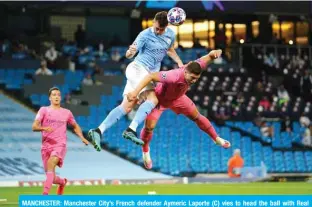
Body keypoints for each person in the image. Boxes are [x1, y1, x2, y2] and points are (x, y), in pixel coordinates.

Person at [88, 11, 183, 150]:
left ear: (166, 26)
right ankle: (131, 129)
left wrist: (180, 63)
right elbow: (129, 53)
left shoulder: (171, 35)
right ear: (153, 22)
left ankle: (98, 131)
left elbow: (170, 50)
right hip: (138, 68)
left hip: (148, 74)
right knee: (152, 99)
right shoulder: (144, 34)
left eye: (161, 29)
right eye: (156, 28)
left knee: (126, 107)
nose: (158, 31)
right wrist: (130, 52)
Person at [126, 49, 231, 169]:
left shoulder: (196, 65)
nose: (193, 81)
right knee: (149, 127)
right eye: (192, 78)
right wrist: (135, 92)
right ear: (185, 72)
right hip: (160, 100)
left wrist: (217, 52)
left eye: (196, 79)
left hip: (178, 98)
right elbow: (150, 76)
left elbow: (211, 55)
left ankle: (216, 138)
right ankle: (145, 151)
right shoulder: (173, 76)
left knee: (196, 116)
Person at [32, 87, 89, 195]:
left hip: (59, 145)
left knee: (50, 163)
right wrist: (43, 128)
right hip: (45, 146)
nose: (56, 96)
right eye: (54, 95)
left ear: (60, 97)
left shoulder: (67, 113)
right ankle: (62, 182)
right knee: (51, 178)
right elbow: (34, 126)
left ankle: (44, 195)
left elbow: (75, 125)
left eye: (58, 94)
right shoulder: (43, 110)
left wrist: (82, 137)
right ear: (50, 98)